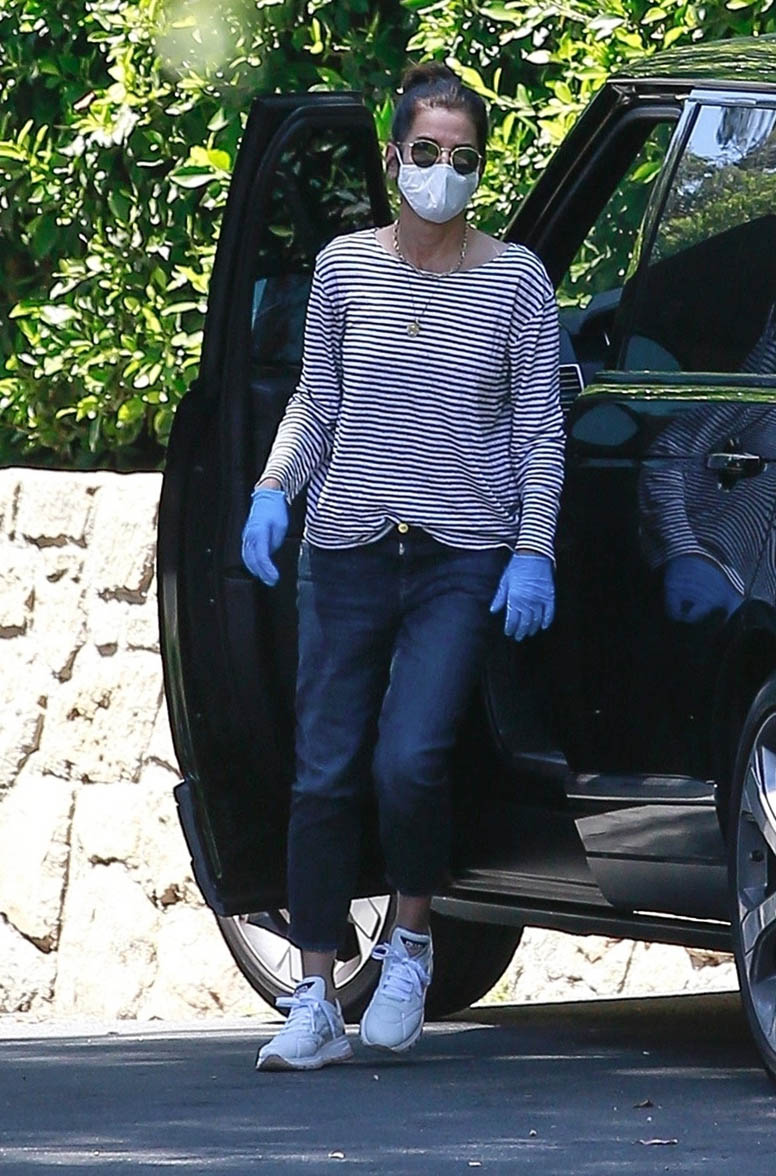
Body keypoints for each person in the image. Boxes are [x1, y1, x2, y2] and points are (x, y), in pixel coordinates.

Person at [241, 61, 565, 1071]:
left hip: (459, 555)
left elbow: (538, 429)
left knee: (411, 758)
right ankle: (312, 996)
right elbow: (317, 398)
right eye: (425, 152)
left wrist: (533, 550)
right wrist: (272, 489)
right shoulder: (344, 268)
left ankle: (412, 943)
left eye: (462, 158)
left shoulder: (515, 280)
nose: (442, 171)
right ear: (392, 159)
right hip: (346, 547)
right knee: (323, 771)